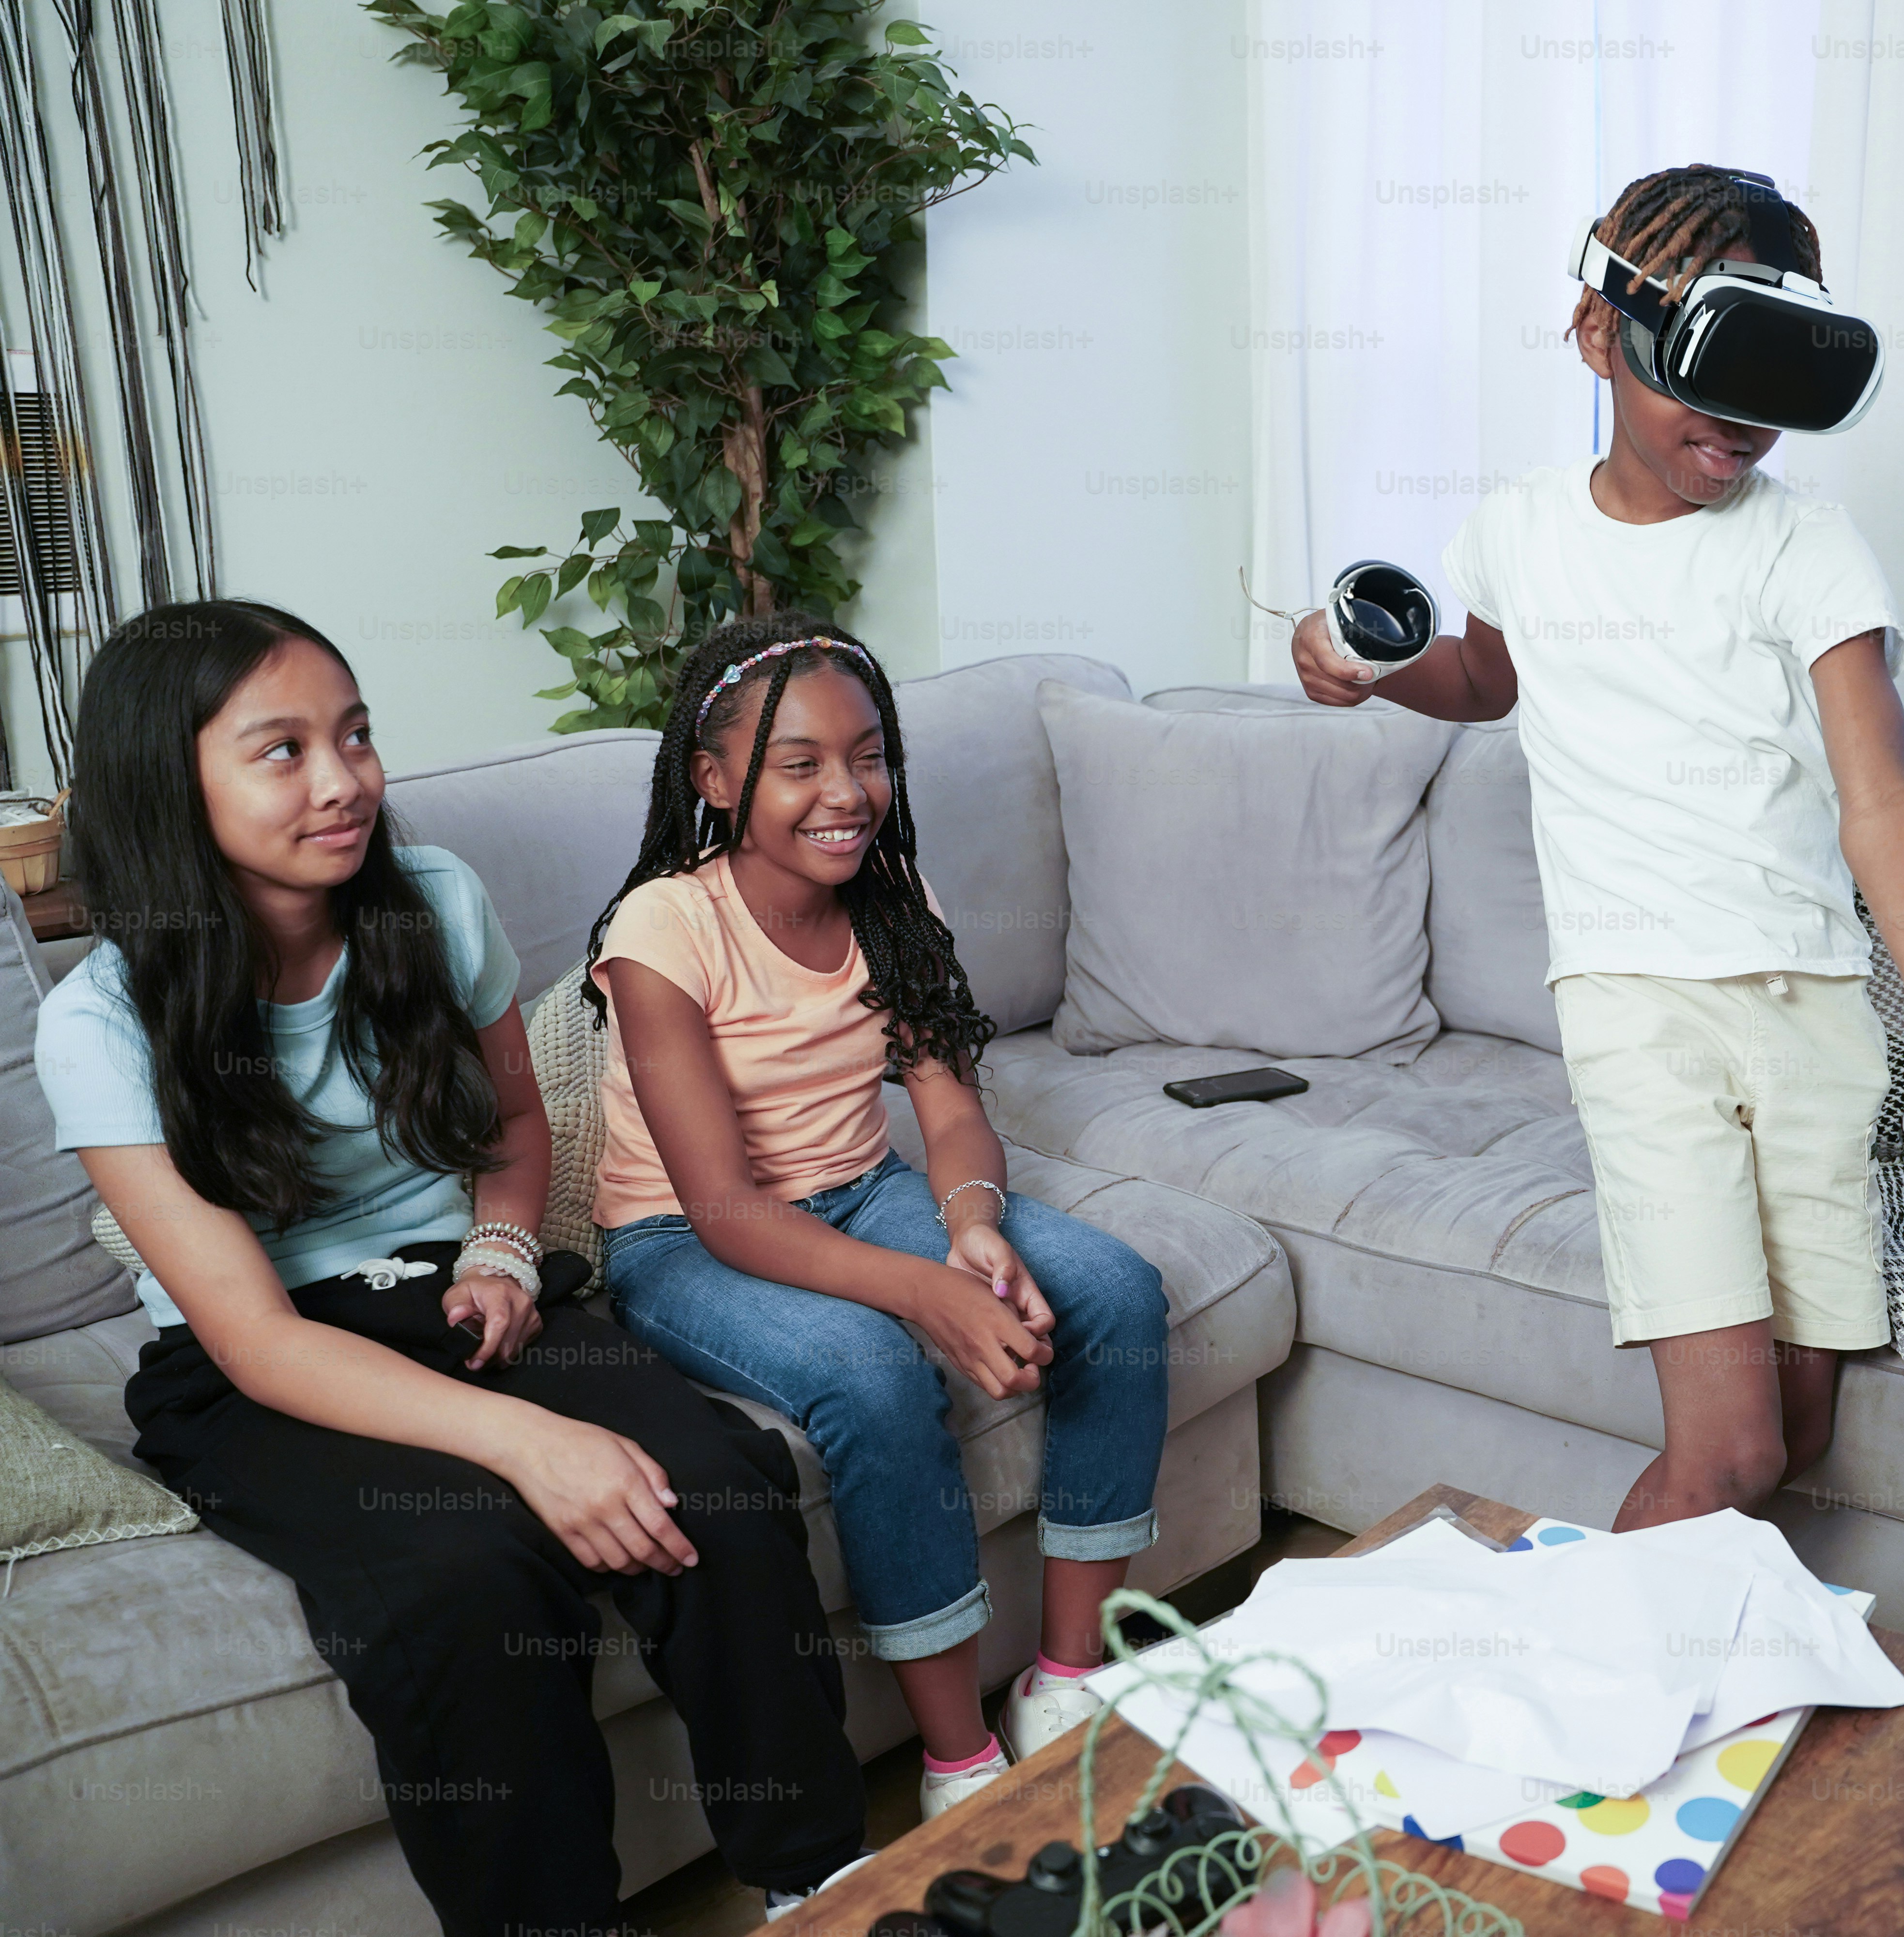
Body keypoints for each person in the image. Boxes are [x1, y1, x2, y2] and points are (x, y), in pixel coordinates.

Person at [35, 601, 869, 1937]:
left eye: (355, 735)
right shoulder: (101, 1023)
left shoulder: (431, 902)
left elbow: (514, 1124)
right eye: (283, 750)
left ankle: (820, 1879)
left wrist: (501, 1247)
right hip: (263, 1359)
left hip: (464, 1286)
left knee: (716, 1482)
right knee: (462, 1577)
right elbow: (256, 1339)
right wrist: (532, 1444)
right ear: (166, 782)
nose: (344, 779)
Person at [1292, 165, 1904, 1532]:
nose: (1737, 433)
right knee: (1727, 1456)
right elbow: (1485, 683)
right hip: (1638, 1010)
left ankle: (1680, 1684)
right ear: (1599, 336)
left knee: (1798, 1429)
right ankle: (1569, 1723)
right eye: (1702, 394)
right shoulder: (1519, 534)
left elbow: (1881, 801)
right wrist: (1371, 670)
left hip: (1816, 1020)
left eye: (1768, 403)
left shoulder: (1809, 551)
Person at [585, 612, 1169, 1820]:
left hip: (866, 1188)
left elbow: (950, 1113)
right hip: (686, 1239)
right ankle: (958, 1761)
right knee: (868, 1370)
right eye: (799, 764)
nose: (846, 792)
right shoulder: (664, 927)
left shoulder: (894, 892)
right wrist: (922, 1291)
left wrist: (971, 1226)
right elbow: (727, 1206)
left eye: (868, 755)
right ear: (713, 780)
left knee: (1114, 1288)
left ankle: (1066, 1678)